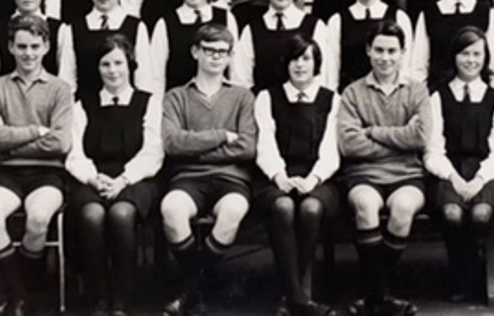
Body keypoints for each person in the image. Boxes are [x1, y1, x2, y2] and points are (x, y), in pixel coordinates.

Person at [0, 14, 74, 316]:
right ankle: (22, 296)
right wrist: (35, 131)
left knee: (37, 219)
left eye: (35, 46)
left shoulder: (60, 89)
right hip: (6, 173)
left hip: (48, 174)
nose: (28, 53)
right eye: (21, 46)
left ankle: (19, 294)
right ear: (10, 47)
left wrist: (11, 141)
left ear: (46, 46)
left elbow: (60, 143)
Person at [159, 24, 258, 316]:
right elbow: (173, 143)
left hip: (232, 177)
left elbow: (248, 147)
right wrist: (220, 136)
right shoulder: (176, 96)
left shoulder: (242, 97)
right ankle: (205, 284)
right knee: (172, 211)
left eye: (222, 52)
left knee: (232, 212)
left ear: (230, 57)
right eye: (209, 51)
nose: (216, 57)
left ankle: (191, 290)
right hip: (187, 178)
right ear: (195, 52)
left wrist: (197, 149)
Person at [65, 34, 163, 316]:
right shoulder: (83, 105)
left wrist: (124, 180)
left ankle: (122, 298)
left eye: (119, 62)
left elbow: (153, 152)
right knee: (91, 214)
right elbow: (75, 154)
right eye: (105, 64)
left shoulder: (148, 102)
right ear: (97, 68)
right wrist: (94, 178)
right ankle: (99, 296)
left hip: (136, 179)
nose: (113, 70)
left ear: (130, 64)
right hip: (93, 178)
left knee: (121, 213)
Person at [338, 20, 431, 316]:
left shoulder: (416, 91)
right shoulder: (353, 92)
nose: (385, 57)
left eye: (392, 51)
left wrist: (373, 131)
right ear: (368, 51)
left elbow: (420, 137)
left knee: (403, 209)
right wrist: (398, 136)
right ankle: (382, 297)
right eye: (379, 50)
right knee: (365, 205)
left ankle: (373, 295)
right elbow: (349, 144)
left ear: (403, 52)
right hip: (363, 174)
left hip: (407, 174)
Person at [254, 34, 341, 316]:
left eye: (306, 59)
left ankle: (292, 296)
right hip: (275, 177)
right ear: (285, 63)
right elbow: (265, 144)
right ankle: (298, 298)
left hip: (319, 178)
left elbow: (331, 150)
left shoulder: (332, 99)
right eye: (294, 58)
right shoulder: (268, 97)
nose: (300, 65)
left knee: (311, 208)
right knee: (283, 206)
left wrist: (313, 179)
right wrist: (280, 177)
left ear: (317, 63)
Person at [423, 26, 494, 304]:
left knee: (481, 214)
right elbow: (433, 150)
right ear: (454, 57)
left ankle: (475, 271)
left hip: (485, 172)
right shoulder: (437, 97)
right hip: (449, 170)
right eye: (465, 53)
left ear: (485, 58)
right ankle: (465, 274)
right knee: (452, 213)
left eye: (477, 54)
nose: (471, 60)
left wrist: (479, 180)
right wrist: (453, 178)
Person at [230, 0, 329, 92]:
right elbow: (241, 80)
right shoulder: (252, 30)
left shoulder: (315, 26)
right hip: (262, 108)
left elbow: (322, 77)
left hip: (304, 108)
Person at [145, 0, 239, 95]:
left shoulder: (225, 18)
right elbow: (156, 74)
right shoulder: (166, 23)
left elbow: (235, 67)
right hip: (179, 102)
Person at [324, 0, 413, 92]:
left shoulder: (399, 18)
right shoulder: (337, 21)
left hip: (389, 97)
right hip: (350, 99)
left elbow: (405, 67)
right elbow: (331, 70)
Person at [69, 0, 151, 99]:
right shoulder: (74, 28)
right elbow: (68, 80)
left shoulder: (136, 27)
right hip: (84, 110)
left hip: (126, 109)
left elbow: (143, 78)